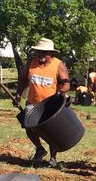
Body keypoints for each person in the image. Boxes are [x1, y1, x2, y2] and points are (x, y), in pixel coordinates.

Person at [15, 38, 70, 167]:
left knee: (52, 131)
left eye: (44, 52)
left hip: (51, 104)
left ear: (51, 53)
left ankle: (53, 158)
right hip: (33, 103)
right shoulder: (31, 62)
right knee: (28, 126)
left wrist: (61, 91)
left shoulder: (58, 65)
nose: (41, 55)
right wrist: (18, 94)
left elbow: (66, 83)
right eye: (39, 52)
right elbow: (24, 80)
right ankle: (40, 149)